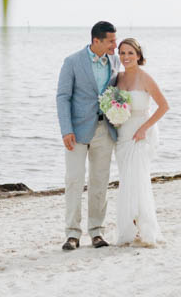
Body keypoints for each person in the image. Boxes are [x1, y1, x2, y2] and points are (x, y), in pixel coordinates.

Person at [56, 20, 120, 250]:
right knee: (74, 180)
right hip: (77, 131)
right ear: (97, 40)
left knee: (100, 182)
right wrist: (66, 129)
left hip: (105, 130)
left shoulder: (115, 61)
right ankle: (72, 234)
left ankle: (97, 231)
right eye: (111, 41)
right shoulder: (72, 62)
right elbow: (63, 97)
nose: (115, 45)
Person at [115, 37, 169, 246]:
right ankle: (131, 227)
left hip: (141, 133)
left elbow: (164, 106)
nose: (126, 57)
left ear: (138, 55)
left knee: (138, 180)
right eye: (122, 53)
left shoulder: (145, 78)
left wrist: (143, 129)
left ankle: (145, 230)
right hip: (123, 134)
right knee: (126, 181)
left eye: (130, 53)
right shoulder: (117, 78)